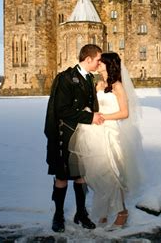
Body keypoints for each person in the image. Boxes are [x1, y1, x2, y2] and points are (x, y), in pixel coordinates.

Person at [69, 52, 143, 228]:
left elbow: (124, 113)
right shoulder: (98, 84)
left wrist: (103, 117)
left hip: (110, 130)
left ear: (109, 65)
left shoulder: (117, 86)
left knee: (111, 172)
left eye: (101, 62)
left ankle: (122, 211)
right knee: (96, 173)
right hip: (94, 131)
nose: (98, 64)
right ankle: (103, 211)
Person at [44, 44, 105, 233]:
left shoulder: (89, 79)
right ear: (88, 59)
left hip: (83, 136)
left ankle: (81, 213)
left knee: (81, 176)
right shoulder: (66, 78)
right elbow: (61, 110)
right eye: (97, 60)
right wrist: (90, 117)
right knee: (61, 177)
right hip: (66, 135)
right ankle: (59, 215)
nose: (99, 63)